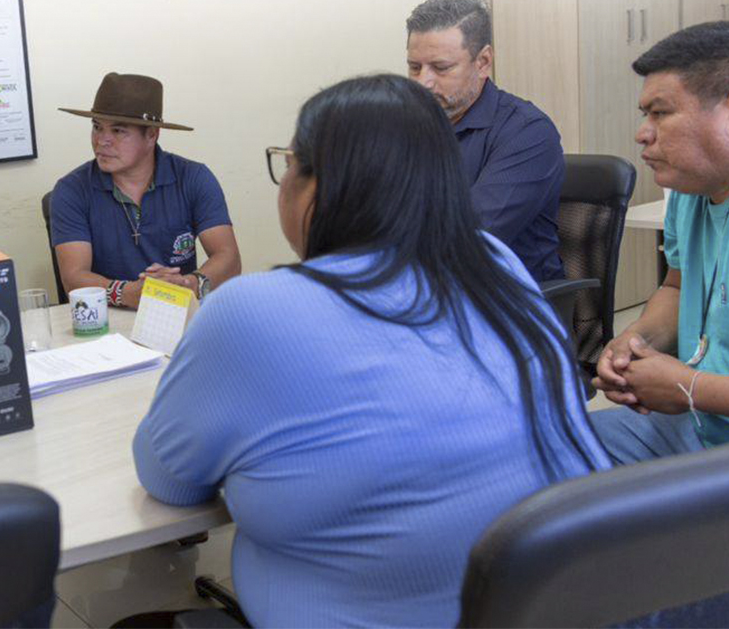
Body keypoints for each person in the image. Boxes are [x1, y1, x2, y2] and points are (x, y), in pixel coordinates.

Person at [132, 75, 608, 627]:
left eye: (289, 162)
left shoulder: (250, 311)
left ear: (318, 188)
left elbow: (168, 479)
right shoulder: (494, 262)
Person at [592, 21, 729, 464]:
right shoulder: (689, 188)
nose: (643, 133)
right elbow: (677, 287)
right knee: (539, 449)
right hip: (702, 425)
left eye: (660, 113)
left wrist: (690, 387)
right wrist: (635, 340)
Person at [406, 0, 565, 282]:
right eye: (414, 67)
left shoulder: (527, 132)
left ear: (483, 61)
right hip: (424, 284)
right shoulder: (406, 125)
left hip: (505, 296)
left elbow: (467, 238)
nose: (422, 83)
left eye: (441, 68)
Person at [49, 72, 240, 309]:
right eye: (97, 127)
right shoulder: (71, 190)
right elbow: (73, 278)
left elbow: (229, 258)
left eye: (118, 131)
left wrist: (188, 284)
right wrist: (128, 293)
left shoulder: (193, 178)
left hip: (177, 312)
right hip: (105, 318)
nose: (101, 140)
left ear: (151, 135)